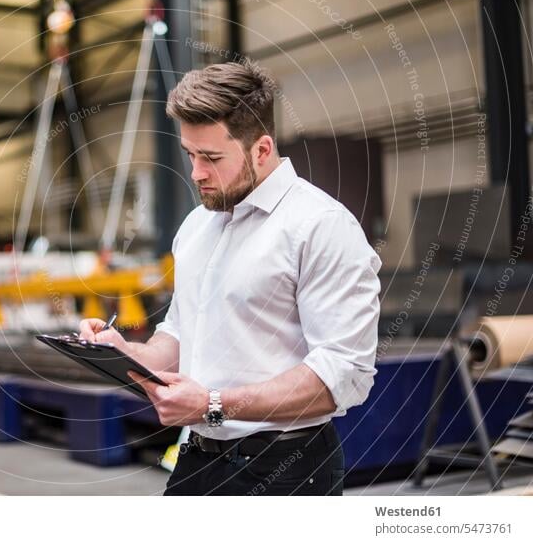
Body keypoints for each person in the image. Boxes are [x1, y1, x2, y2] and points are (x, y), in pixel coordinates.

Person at [79, 59, 381, 496]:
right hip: (201, 456)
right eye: (189, 155)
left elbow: (342, 374)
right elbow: (181, 334)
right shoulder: (199, 226)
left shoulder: (321, 226)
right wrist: (128, 353)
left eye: (211, 157)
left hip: (287, 467)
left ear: (261, 149)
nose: (196, 172)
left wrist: (213, 404)